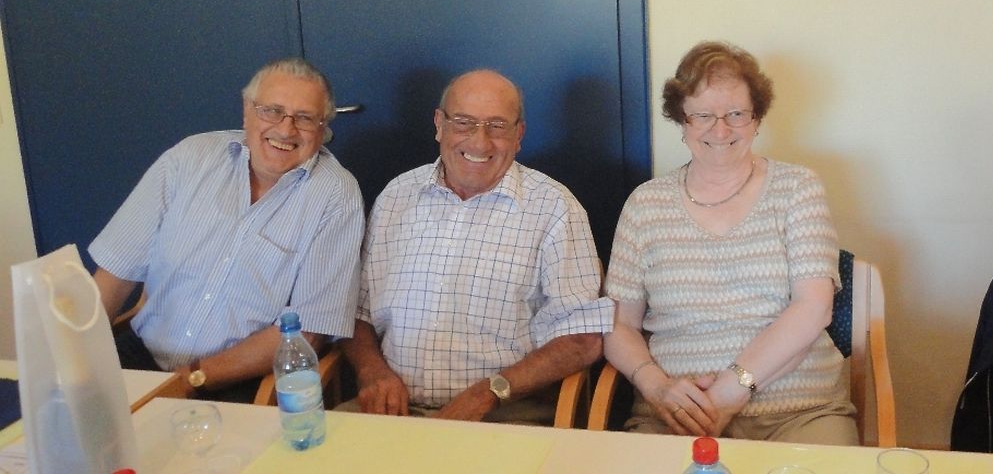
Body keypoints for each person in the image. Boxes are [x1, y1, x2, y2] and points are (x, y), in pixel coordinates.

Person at [603, 41, 856, 445]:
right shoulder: (644, 205)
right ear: (682, 120)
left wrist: (729, 392)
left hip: (799, 412)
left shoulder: (797, 189)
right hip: (674, 416)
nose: (720, 130)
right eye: (703, 115)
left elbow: (813, 308)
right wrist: (656, 386)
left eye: (736, 114)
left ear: (757, 118)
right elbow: (619, 325)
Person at [341, 69, 612, 424]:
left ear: (519, 135)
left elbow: (581, 338)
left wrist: (490, 393)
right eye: (464, 123)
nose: (480, 143)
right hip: (392, 409)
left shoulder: (555, 208)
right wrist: (371, 372)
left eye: (497, 126)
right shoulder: (396, 196)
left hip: (505, 412)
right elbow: (357, 312)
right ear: (439, 125)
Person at [90, 57, 364, 402]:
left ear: (323, 129)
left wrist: (191, 379)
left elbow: (308, 331)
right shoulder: (188, 159)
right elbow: (113, 276)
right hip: (140, 354)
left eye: (305, 118)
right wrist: (76, 363)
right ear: (247, 111)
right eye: (272, 111)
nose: (285, 130)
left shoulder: (336, 195)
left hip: (235, 378)